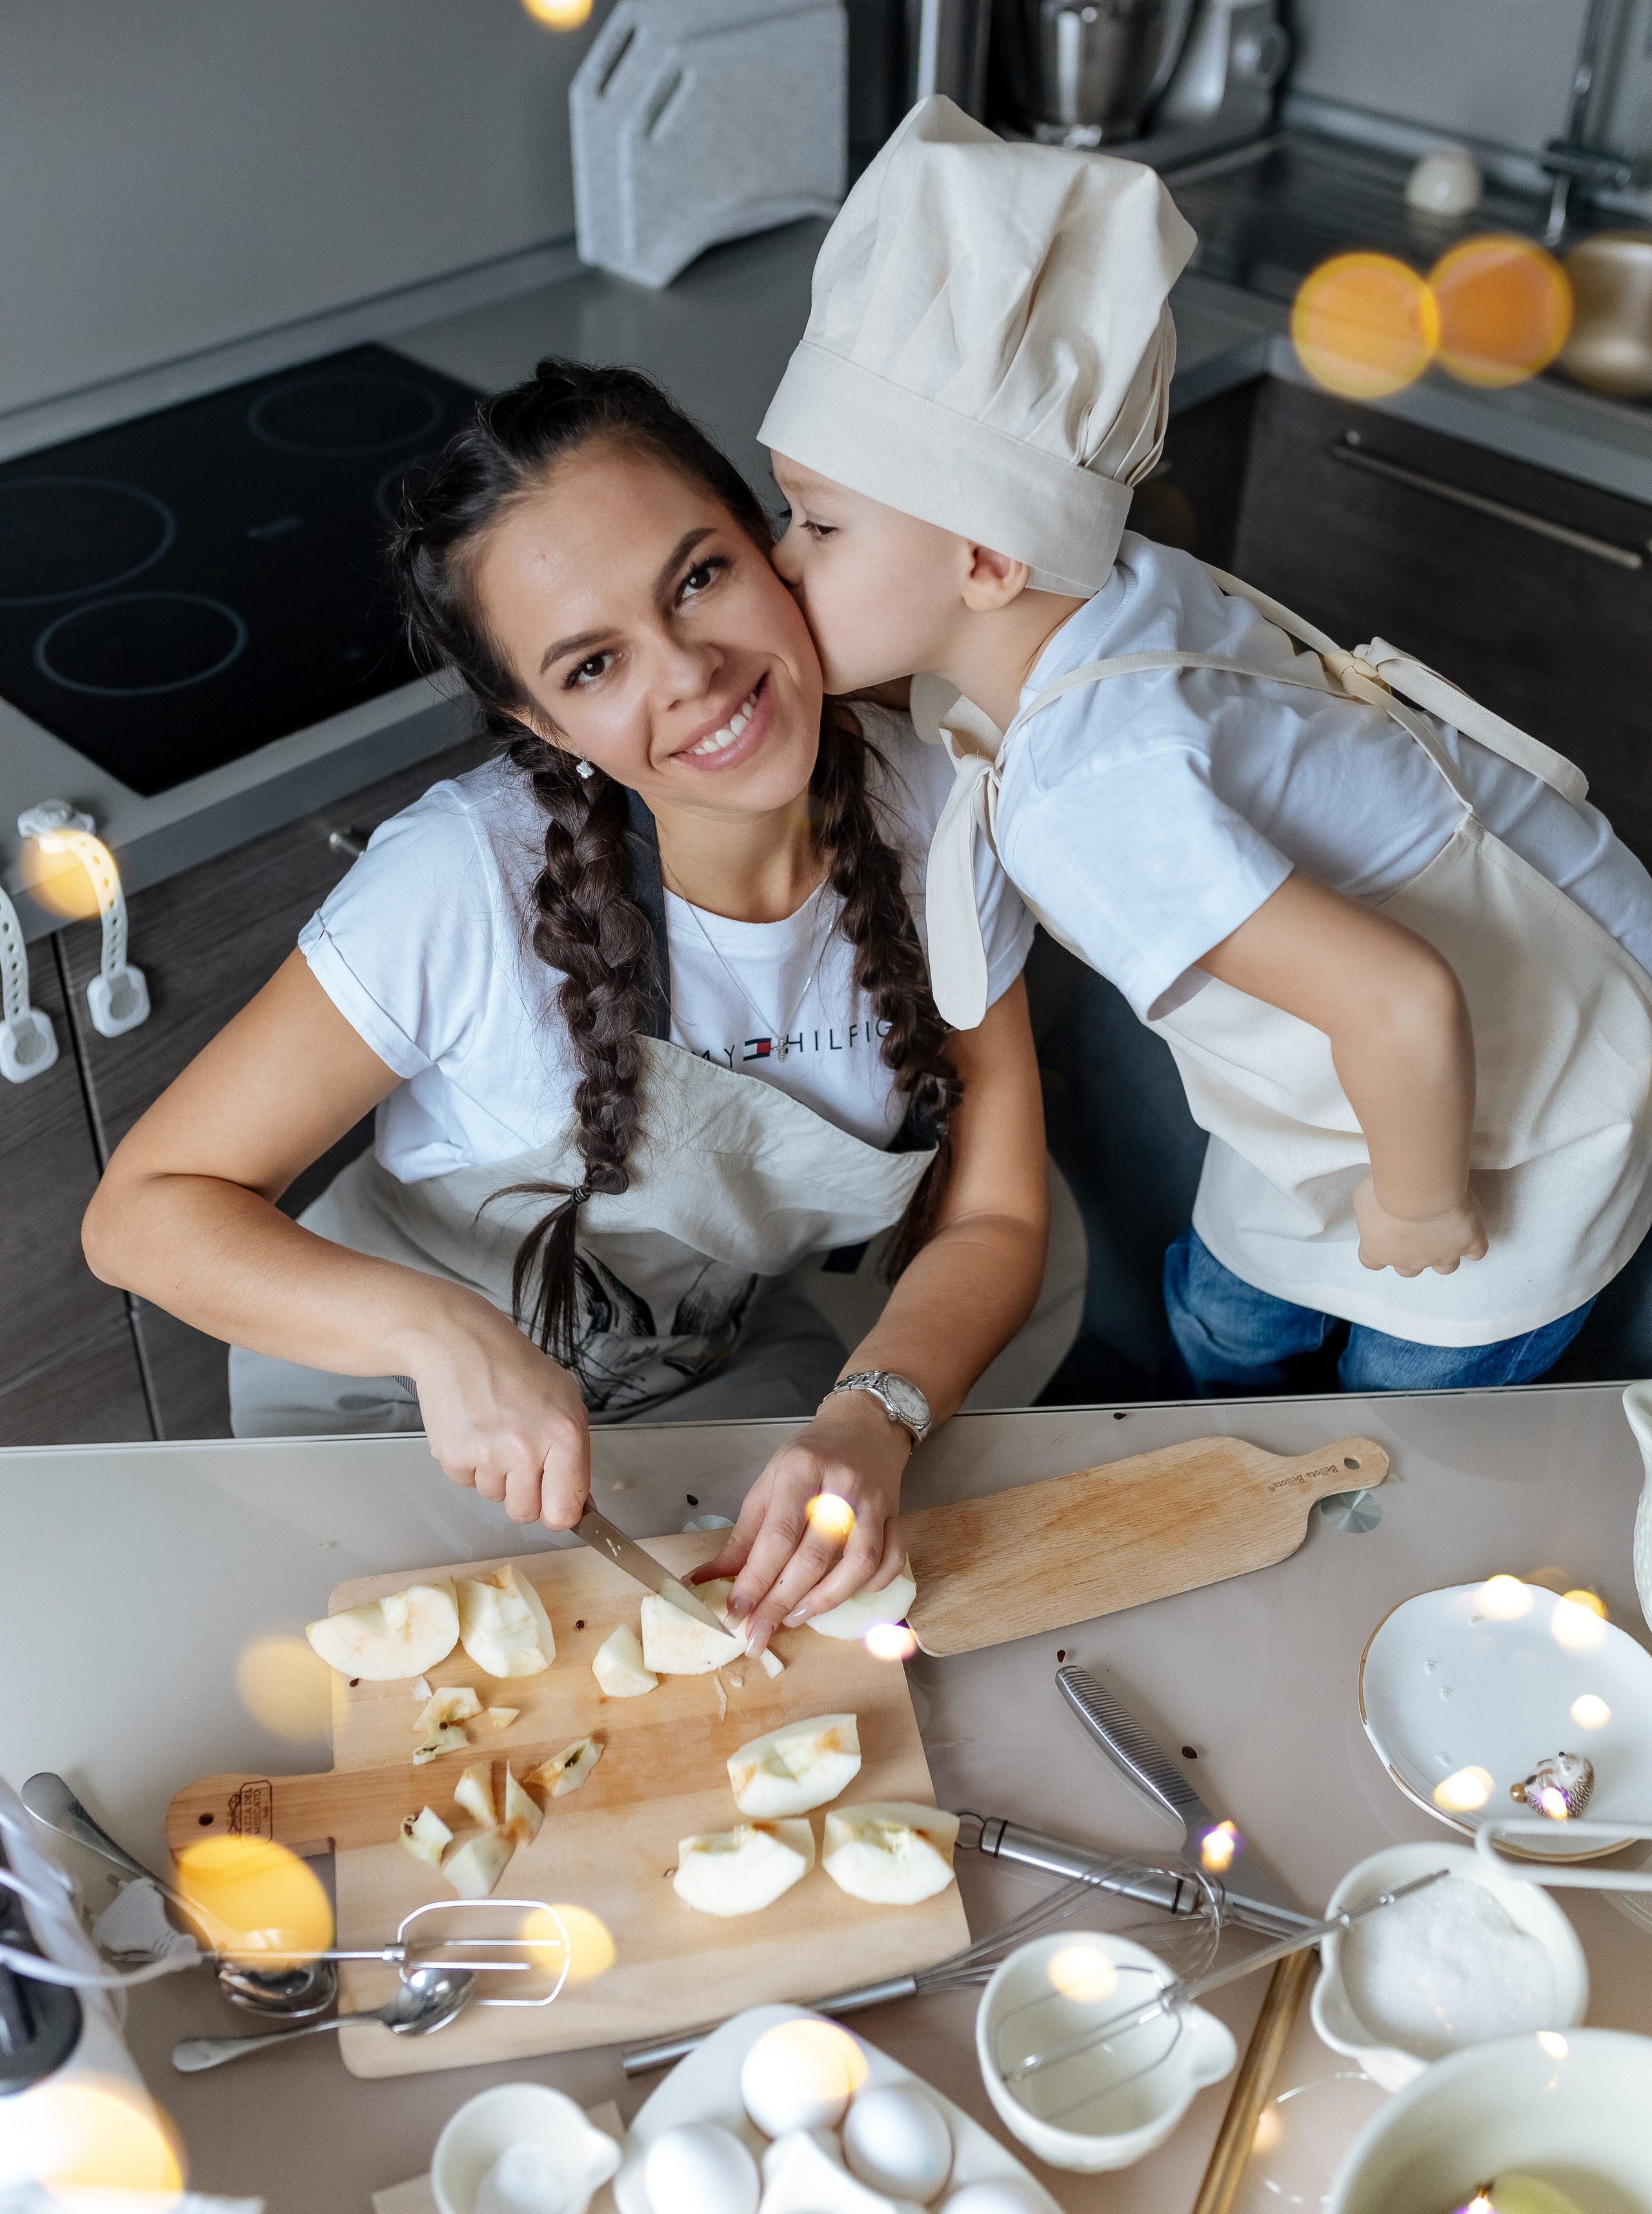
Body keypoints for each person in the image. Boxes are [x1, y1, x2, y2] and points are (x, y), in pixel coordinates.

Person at [81, 360, 1055, 1646]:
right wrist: (434, 1335)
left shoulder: (943, 807)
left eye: (699, 577)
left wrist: (869, 1417)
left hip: (702, 1377)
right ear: (531, 717)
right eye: (593, 665)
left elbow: (991, 1215)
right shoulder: (457, 880)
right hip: (395, 1406)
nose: (691, 676)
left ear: (773, 547)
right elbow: (140, 1219)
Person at [758, 94, 1652, 1393]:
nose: (775, 569)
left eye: (815, 527)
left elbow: (1400, 1002)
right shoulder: (1103, 589)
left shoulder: (1094, 789)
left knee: (1422, 1379)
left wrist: (1415, 1203)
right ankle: (1239, 1359)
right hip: (1342, 1042)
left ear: (988, 560)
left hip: (1505, 1053)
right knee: (1237, 1306)